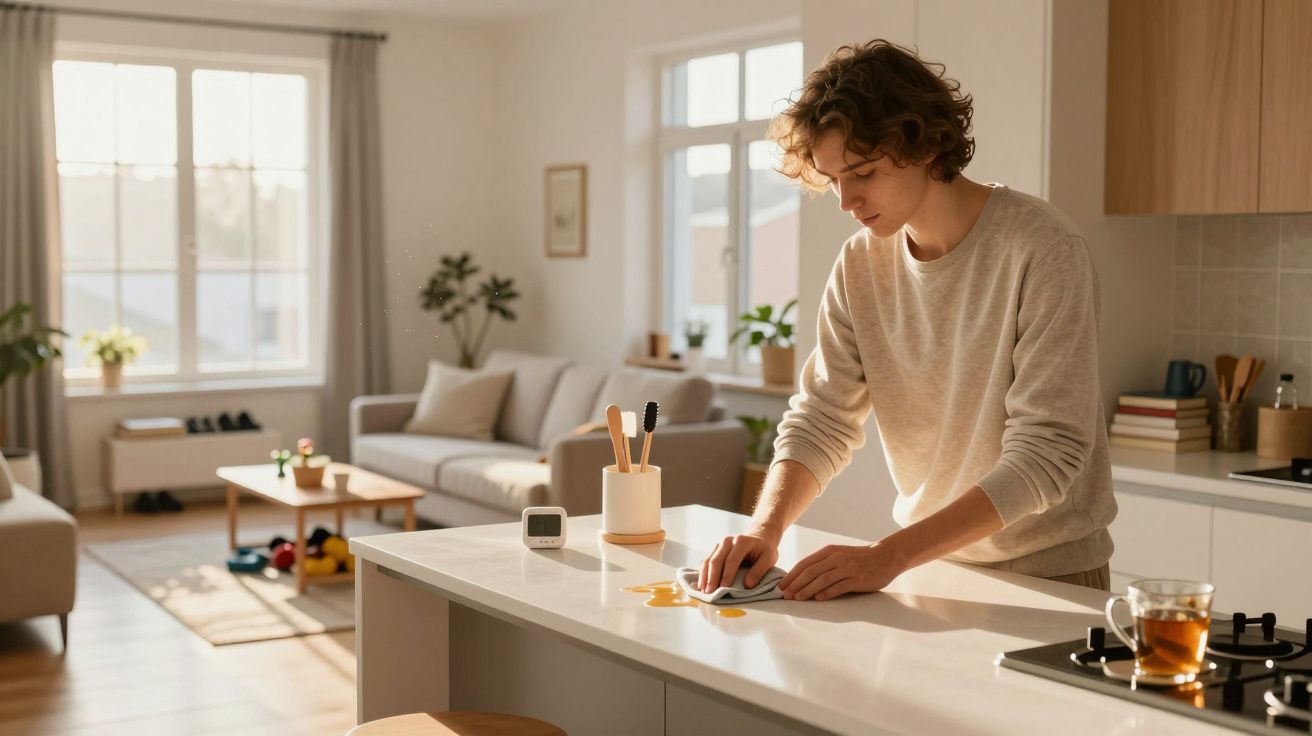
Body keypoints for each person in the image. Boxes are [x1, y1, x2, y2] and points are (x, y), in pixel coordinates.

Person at [696, 39, 1116, 601]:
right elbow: (823, 418)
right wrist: (764, 529)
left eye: (862, 173)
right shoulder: (859, 265)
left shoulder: (1042, 248)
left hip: (1049, 577)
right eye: (832, 178)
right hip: (931, 567)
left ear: (920, 143)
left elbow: (1047, 454)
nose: (846, 200)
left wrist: (887, 556)